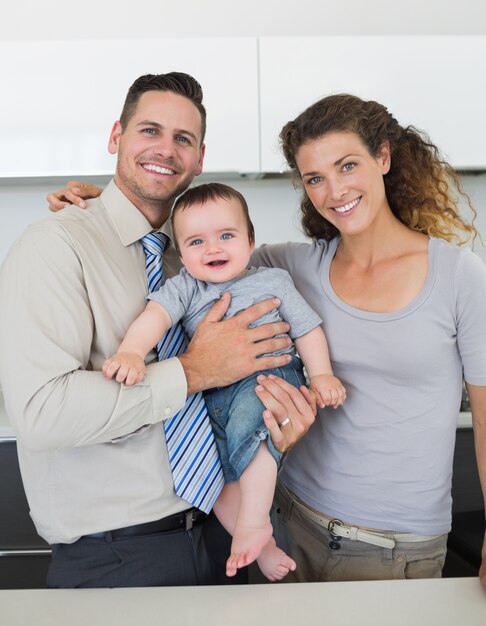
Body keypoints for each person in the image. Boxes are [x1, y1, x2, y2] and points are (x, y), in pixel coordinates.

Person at [50, 93, 486, 590]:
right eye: (315, 178)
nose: (334, 190)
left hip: (396, 545)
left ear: (383, 158)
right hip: (288, 521)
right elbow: (203, 246)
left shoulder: (458, 276)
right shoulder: (291, 265)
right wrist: (102, 210)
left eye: (347, 166)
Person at [0, 72, 316, 589]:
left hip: (224, 535)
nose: (166, 150)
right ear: (115, 137)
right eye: (149, 130)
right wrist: (193, 371)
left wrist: (280, 422)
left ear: (199, 158)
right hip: (117, 557)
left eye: (183, 139)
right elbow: (41, 414)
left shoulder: (201, 252)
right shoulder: (55, 247)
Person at [101, 181, 345, 580]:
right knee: (209, 477)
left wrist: (321, 375)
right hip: (210, 394)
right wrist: (130, 352)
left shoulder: (274, 281)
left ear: (250, 242)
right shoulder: (183, 286)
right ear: (180, 254)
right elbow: (155, 318)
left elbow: (307, 329)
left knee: (256, 430)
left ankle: (253, 522)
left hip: (265, 379)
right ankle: (261, 545)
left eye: (226, 236)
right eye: (196, 242)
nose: (212, 249)